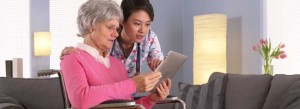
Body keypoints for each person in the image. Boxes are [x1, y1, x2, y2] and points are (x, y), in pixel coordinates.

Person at [60, 0, 171, 109]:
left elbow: (129, 106)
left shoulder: (118, 65)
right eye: (109, 27)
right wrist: (133, 84)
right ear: (90, 26)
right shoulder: (72, 58)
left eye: (117, 28)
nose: (116, 33)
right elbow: (81, 100)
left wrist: (151, 99)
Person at [61, 0, 164, 77]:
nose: (143, 30)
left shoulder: (150, 38)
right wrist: (71, 54)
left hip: (130, 93)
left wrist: (159, 67)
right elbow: (89, 60)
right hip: (109, 92)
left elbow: (161, 69)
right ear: (122, 21)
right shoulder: (106, 38)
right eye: (137, 23)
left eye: (147, 24)